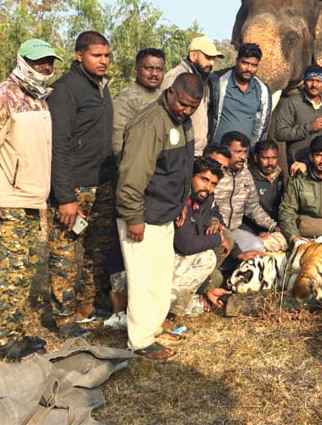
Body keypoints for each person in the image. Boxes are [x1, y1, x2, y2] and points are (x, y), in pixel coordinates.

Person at [0, 38, 59, 360]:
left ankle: (14, 332)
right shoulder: (1, 96)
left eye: (49, 61)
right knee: (11, 276)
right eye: (38, 61)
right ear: (22, 61)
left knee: (24, 273)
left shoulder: (39, 99)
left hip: (31, 200)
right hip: (8, 201)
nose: (45, 66)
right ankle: (6, 342)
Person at [116, 73, 202, 361]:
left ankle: (153, 327)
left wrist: (182, 203)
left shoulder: (181, 121)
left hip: (165, 211)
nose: (186, 111)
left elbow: (181, 167)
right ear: (170, 92)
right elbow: (132, 174)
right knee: (143, 279)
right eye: (183, 104)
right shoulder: (150, 123)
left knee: (160, 274)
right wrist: (133, 217)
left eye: (193, 107)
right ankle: (140, 341)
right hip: (143, 213)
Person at [47, 31, 118, 338]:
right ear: (79, 56)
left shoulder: (103, 88)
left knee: (96, 251)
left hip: (102, 184)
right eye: (96, 55)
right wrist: (64, 196)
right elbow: (58, 146)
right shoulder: (64, 90)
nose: (103, 61)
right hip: (74, 188)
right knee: (64, 254)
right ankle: (63, 318)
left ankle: (86, 306)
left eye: (106, 55)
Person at [169, 157, 234, 317]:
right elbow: (186, 245)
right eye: (204, 180)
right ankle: (167, 309)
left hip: (181, 262)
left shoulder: (204, 198)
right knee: (207, 258)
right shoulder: (180, 199)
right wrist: (218, 239)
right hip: (160, 263)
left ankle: (201, 293)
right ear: (191, 176)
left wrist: (215, 226)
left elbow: (202, 228)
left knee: (214, 278)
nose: (208, 188)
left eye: (213, 184)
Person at [209, 132, 286, 257]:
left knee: (257, 247)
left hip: (234, 230)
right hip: (213, 228)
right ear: (225, 151)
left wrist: (273, 227)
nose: (242, 157)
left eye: (245, 152)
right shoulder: (214, 173)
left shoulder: (245, 175)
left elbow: (253, 208)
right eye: (238, 152)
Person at [163, 36, 223, 156]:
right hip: (178, 151)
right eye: (208, 58)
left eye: (213, 59)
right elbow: (165, 115)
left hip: (195, 152)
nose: (211, 63)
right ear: (193, 55)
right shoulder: (176, 77)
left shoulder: (202, 79)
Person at [208, 42, 271, 146]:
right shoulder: (218, 82)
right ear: (237, 61)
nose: (249, 69)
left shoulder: (262, 91)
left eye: (254, 65)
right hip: (217, 151)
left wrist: (253, 150)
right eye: (245, 63)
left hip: (244, 154)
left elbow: (260, 127)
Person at [273, 64, 322, 168]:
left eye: (318, 81)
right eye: (310, 80)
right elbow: (280, 133)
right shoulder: (291, 103)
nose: (314, 85)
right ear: (305, 82)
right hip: (298, 163)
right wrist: (309, 127)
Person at [111, 48, 166, 156]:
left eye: (159, 69)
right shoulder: (125, 99)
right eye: (149, 68)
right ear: (136, 70)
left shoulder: (165, 96)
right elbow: (118, 142)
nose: (154, 73)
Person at [242, 139, 286, 245]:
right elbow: (249, 211)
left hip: (274, 229)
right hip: (252, 230)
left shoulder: (279, 177)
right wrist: (258, 232)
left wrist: (276, 228)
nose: (270, 163)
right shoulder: (248, 178)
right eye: (265, 158)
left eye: (274, 158)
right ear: (256, 157)